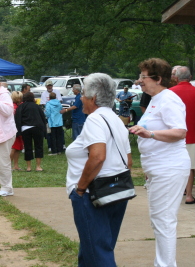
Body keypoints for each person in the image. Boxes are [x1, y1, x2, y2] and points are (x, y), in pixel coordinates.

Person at [66, 73, 131, 267]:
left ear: (93, 98)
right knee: (93, 250)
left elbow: (97, 156)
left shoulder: (95, 120)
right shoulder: (116, 119)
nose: (81, 98)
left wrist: (80, 189)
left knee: (98, 254)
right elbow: (128, 161)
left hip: (92, 195)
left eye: (83, 94)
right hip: (116, 191)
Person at [129, 58, 189, 266]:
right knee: (159, 221)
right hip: (157, 168)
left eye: (143, 77)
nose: (139, 81)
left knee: (164, 221)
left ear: (158, 78)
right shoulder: (155, 99)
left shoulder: (169, 99)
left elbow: (180, 132)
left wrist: (150, 133)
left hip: (169, 167)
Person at [170, 66, 195, 204]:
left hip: (173, 135)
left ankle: (175, 193)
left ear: (176, 78)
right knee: (190, 166)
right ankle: (188, 195)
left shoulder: (169, 93)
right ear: (191, 77)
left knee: (174, 165)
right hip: (193, 134)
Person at [15, 92, 46, 172]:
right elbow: (43, 118)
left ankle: (29, 167)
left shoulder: (21, 107)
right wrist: (44, 130)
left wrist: (18, 131)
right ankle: (38, 166)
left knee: (28, 147)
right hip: (37, 127)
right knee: (38, 146)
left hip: (25, 128)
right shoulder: (37, 106)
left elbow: (17, 119)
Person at [10, 91, 24, 170]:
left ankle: (16, 165)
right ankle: (8, 165)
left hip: (19, 129)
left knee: (18, 148)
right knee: (14, 148)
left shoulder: (20, 106)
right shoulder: (13, 107)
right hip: (14, 130)